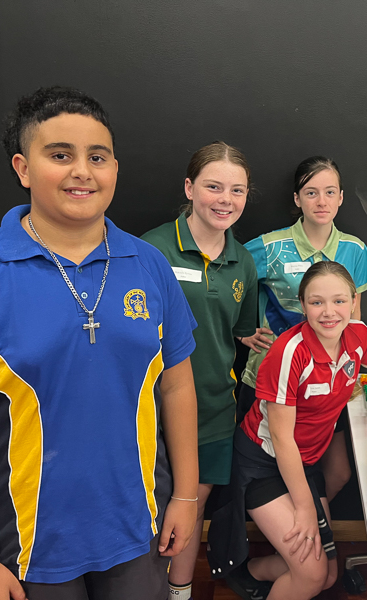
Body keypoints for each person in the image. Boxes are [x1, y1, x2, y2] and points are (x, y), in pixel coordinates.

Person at [0, 86, 199, 600]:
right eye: (60, 155)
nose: (82, 171)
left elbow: (176, 387)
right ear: (23, 168)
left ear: (114, 168)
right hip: (24, 543)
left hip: (137, 528)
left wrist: (187, 495)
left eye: (97, 157)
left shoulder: (148, 265)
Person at [210, 261, 367, 600]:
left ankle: (250, 573)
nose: (329, 312)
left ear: (353, 302)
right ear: (302, 304)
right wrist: (305, 508)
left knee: (326, 577)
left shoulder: (357, 335)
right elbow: (282, 440)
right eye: (316, 302)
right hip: (264, 465)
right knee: (312, 577)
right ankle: (259, 573)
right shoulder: (289, 353)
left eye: (339, 301)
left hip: (304, 463)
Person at [141, 141, 258, 600]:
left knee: (191, 509)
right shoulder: (150, 250)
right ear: (190, 188)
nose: (225, 199)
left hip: (212, 412)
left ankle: (180, 593)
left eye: (237, 190)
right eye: (214, 187)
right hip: (149, 411)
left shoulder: (243, 261)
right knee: (150, 513)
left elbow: (238, 332)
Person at [238, 156, 367, 505]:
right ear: (297, 199)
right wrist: (240, 331)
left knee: (337, 471)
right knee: (274, 464)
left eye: (330, 192)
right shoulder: (269, 247)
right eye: (311, 192)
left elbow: (355, 318)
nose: (321, 201)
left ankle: (312, 519)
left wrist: (354, 371)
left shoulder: (355, 250)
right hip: (272, 379)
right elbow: (227, 278)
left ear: (341, 197)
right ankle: (293, 524)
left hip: (330, 382)